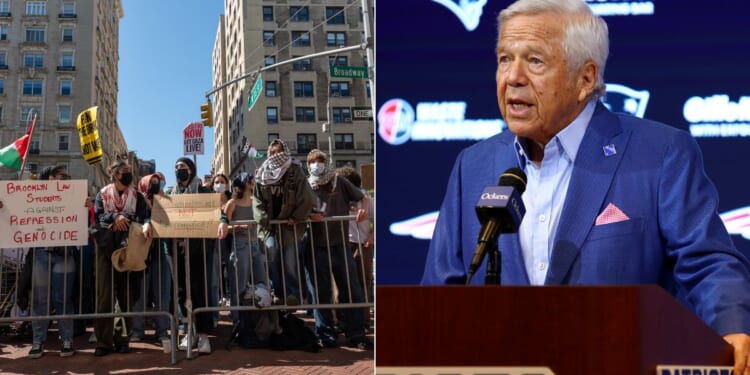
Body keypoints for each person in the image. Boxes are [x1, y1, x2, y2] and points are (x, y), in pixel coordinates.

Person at [420, 0, 750, 372]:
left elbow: (707, 262)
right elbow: (440, 292)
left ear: (586, 79)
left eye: (535, 61)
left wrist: (731, 329)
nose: (512, 77)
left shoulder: (660, 154)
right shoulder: (473, 165)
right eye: (503, 59)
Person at [305, 149, 372, 350]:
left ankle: (356, 333)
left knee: (352, 290)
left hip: (340, 245)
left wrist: (363, 210)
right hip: (316, 246)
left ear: (327, 163)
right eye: (313, 162)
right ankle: (326, 334)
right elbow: (297, 210)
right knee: (321, 293)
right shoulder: (306, 185)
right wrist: (308, 215)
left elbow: (364, 198)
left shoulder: (340, 182)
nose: (318, 165)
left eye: (321, 161)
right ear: (308, 166)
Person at [92, 160, 152, 357]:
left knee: (125, 294)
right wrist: (114, 218)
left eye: (129, 171)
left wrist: (123, 218)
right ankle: (103, 341)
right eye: (124, 171)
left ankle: (123, 338)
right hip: (106, 249)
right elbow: (99, 217)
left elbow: (143, 217)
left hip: (129, 248)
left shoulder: (138, 197)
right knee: (104, 295)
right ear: (115, 174)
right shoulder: (101, 194)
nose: (128, 174)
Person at [24, 166, 80, 358]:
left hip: (64, 254)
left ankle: (66, 339)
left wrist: (86, 206)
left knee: (63, 298)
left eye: (67, 176)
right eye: (62, 176)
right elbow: (20, 213)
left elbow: (83, 221)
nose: (66, 179)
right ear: (49, 178)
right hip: (41, 253)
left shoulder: (74, 195)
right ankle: (38, 341)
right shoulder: (32, 197)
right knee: (40, 299)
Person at [252, 139, 315, 306]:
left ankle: (294, 294)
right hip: (269, 226)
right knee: (271, 253)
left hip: (289, 226)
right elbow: (256, 200)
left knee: (290, 259)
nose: (275, 156)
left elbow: (308, 197)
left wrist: (297, 217)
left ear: (285, 152)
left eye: (279, 152)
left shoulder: (295, 171)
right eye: (272, 153)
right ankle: (278, 292)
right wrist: (263, 219)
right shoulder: (262, 173)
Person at [169, 157, 213, 354]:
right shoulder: (171, 193)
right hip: (178, 249)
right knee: (181, 291)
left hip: (197, 249)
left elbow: (212, 213)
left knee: (199, 289)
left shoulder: (203, 191)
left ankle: (203, 334)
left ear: (192, 169)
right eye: (177, 167)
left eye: (183, 167)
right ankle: (188, 329)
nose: (180, 170)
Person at [223, 172, 272, 327]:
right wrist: (238, 226)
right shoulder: (232, 203)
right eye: (250, 180)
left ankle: (261, 320)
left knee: (262, 282)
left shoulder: (256, 201)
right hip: (239, 245)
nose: (253, 183)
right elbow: (224, 225)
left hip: (256, 244)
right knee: (239, 285)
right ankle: (238, 320)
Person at [130, 172, 172, 344]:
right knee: (140, 293)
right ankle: (137, 330)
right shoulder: (136, 200)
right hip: (142, 252)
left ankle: (162, 330)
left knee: (162, 292)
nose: (156, 186)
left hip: (161, 252)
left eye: (159, 183)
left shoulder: (167, 202)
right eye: (152, 183)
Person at [335, 166, 374, 329]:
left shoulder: (366, 198)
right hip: (341, 243)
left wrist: (372, 236)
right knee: (339, 282)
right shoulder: (337, 197)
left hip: (362, 243)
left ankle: (363, 318)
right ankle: (341, 319)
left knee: (362, 281)